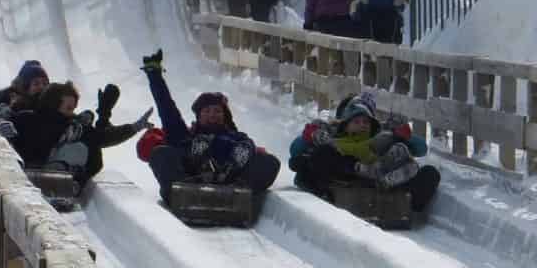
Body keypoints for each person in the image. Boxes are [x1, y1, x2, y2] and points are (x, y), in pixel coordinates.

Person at [137, 48, 280, 209]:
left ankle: (236, 190)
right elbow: (166, 108)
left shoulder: (235, 137)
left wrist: (242, 154)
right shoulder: (186, 136)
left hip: (231, 185)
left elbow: (252, 151)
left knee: (269, 161)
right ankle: (184, 191)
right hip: (189, 186)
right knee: (161, 153)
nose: (212, 115)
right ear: (198, 116)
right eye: (207, 111)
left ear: (224, 115)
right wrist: (154, 75)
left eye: (217, 111)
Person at [290, 89, 440, 213]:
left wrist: (405, 136)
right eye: (356, 121)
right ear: (346, 124)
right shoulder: (333, 134)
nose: (362, 125)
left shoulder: (380, 136)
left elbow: (421, 149)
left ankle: (407, 204)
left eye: (366, 122)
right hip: (347, 175)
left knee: (430, 173)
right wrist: (307, 137)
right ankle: (327, 192)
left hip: (380, 175)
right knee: (319, 156)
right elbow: (295, 150)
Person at [0, 81, 149, 194]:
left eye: (73, 108)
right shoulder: (28, 119)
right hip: (25, 173)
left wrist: (133, 128)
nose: (71, 112)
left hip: (53, 173)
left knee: (83, 147)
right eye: (69, 108)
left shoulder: (73, 126)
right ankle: (55, 179)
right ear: (54, 104)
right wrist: (0, 125)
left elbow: (101, 137)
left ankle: (61, 179)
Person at [0, 60, 50, 132]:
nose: (42, 87)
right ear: (25, 85)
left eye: (45, 83)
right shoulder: (7, 95)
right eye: (36, 83)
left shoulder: (49, 95)